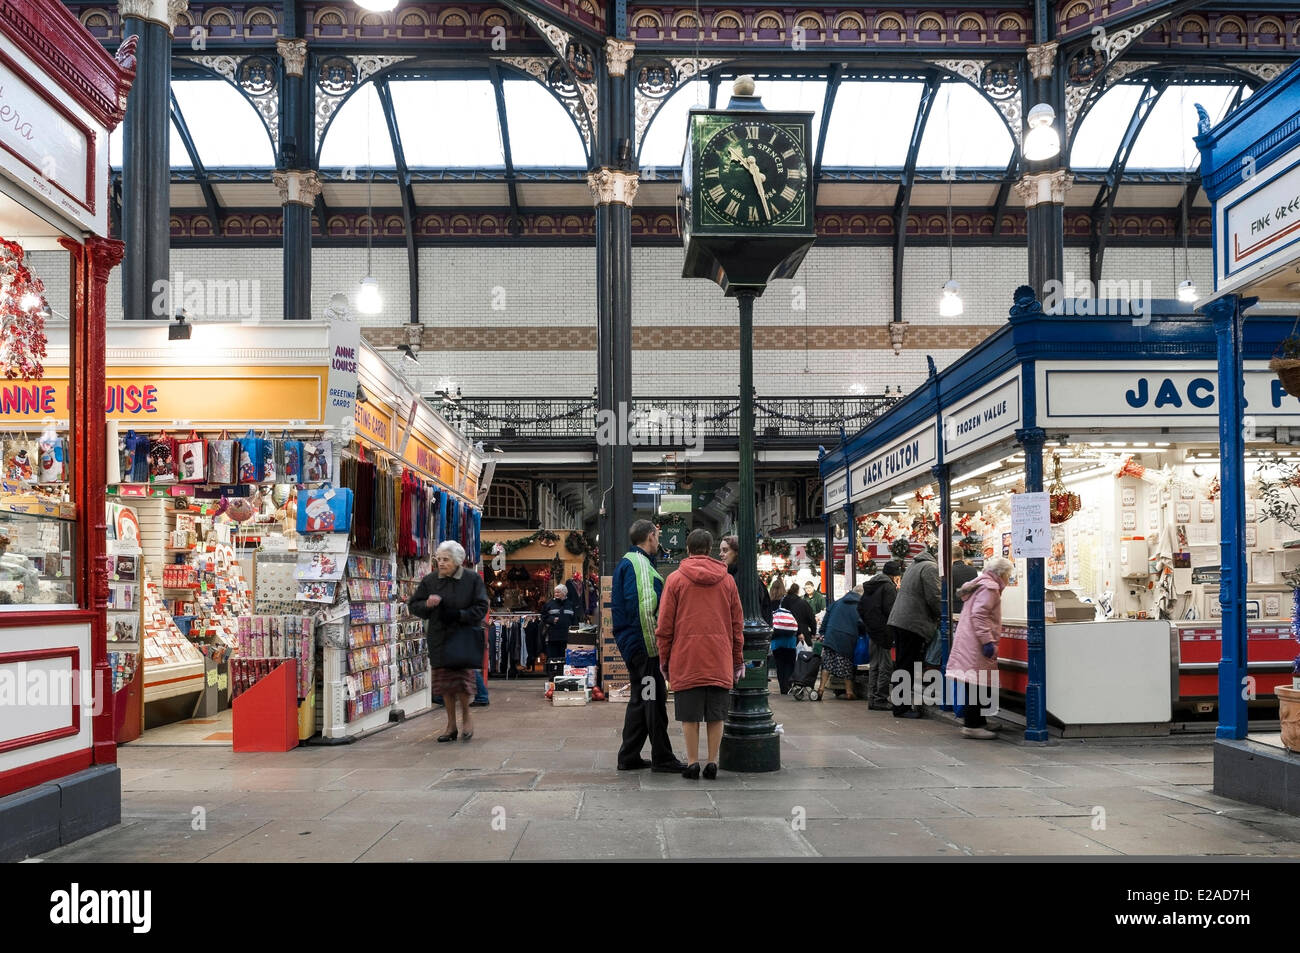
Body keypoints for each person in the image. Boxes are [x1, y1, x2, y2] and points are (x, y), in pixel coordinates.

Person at [656, 529, 744, 779]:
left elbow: (664, 626)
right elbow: (737, 625)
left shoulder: (675, 579)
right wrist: (737, 659)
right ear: (710, 549)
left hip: (686, 657)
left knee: (689, 715)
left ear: (687, 548)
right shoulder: (727, 581)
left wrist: (665, 660)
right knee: (716, 714)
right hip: (719, 656)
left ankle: (693, 762)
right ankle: (712, 762)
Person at [612, 520, 687, 772]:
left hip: (634, 645)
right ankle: (663, 758)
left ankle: (629, 756)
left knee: (642, 699)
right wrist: (655, 649)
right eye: (657, 536)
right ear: (650, 536)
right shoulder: (639, 564)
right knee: (653, 701)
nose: (659, 541)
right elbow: (645, 609)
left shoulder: (630, 562)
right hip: (644, 648)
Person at [409, 540, 488, 743]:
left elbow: (481, 607)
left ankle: (466, 717)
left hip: (463, 637)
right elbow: (414, 605)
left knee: (462, 683)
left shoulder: (471, 579)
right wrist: (426, 603)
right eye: (439, 559)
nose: (441, 563)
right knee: (445, 684)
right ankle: (450, 724)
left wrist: (460, 615)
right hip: (439, 637)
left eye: (446, 559)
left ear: (457, 560)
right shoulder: (431, 580)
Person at [946, 557, 1012, 739]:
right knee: (976, 683)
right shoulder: (990, 588)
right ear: (1002, 574)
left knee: (976, 682)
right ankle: (972, 725)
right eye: (1009, 574)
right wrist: (987, 641)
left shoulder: (979, 584)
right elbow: (980, 615)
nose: (1009, 578)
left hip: (969, 640)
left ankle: (979, 721)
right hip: (976, 642)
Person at [886, 548, 940, 719]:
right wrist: (943, 614)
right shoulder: (930, 568)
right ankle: (901, 707)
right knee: (907, 665)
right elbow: (935, 596)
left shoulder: (915, 565)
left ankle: (901, 703)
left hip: (903, 621)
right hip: (912, 622)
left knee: (904, 663)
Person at [858, 560, 903, 710]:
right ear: (895, 575)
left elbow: (861, 607)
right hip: (884, 631)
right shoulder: (888, 587)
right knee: (886, 665)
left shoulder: (871, 585)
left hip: (872, 631)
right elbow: (892, 611)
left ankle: (872, 698)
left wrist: (870, 625)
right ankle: (880, 699)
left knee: (874, 665)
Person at [816, 583, 864, 700]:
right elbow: (861, 623)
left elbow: (826, 617)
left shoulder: (838, 602)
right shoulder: (860, 605)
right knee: (846, 664)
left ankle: (821, 688)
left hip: (831, 635)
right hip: (847, 638)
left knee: (827, 663)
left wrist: (823, 632)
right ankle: (849, 692)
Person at [769, 578, 800, 695]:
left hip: (776, 638)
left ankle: (783, 687)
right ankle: (788, 685)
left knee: (780, 664)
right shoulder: (788, 601)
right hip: (789, 638)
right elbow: (796, 617)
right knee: (790, 662)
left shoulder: (769, 602)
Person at [543, 584, 575, 663]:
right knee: (553, 659)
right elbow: (543, 617)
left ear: (564, 593)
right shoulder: (549, 604)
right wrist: (551, 619)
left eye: (558, 592)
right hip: (553, 637)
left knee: (565, 659)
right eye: (555, 592)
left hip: (567, 637)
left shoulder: (570, 604)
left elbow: (575, 620)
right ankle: (553, 674)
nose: (556, 594)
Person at [781, 581, 817, 647]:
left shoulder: (783, 602)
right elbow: (811, 618)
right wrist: (813, 631)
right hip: (802, 632)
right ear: (797, 591)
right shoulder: (803, 603)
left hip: (786, 632)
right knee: (804, 654)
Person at [950, 549, 979, 616]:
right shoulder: (973, 570)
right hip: (971, 605)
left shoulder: (950, 571)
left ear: (951, 557)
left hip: (955, 607)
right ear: (962, 556)